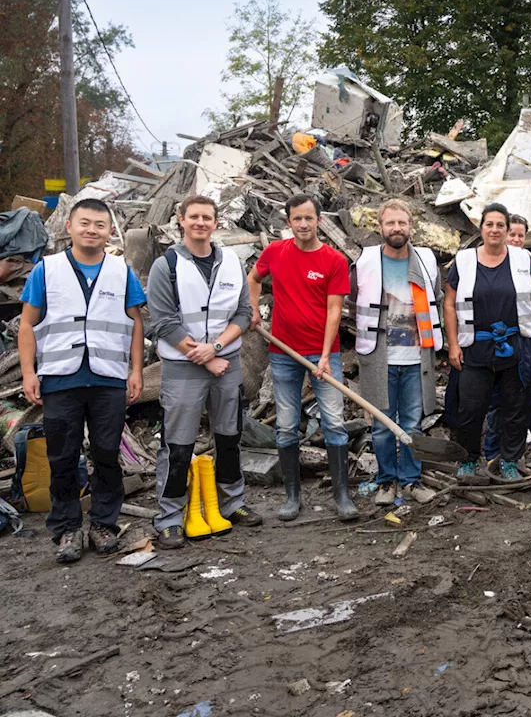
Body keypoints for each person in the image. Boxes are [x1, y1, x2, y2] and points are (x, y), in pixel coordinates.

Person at [18, 198, 145, 563]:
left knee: (106, 454)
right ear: (69, 227)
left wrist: (136, 371)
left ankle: (104, 523)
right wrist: (29, 372)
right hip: (61, 379)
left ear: (109, 231)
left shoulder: (121, 271)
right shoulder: (48, 269)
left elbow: (135, 323)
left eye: (100, 225)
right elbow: (27, 324)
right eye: (85, 223)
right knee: (62, 457)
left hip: (108, 379)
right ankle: (68, 529)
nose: (92, 230)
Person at [147, 195, 260, 549]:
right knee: (177, 444)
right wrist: (205, 356)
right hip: (183, 368)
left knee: (229, 437)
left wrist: (218, 347)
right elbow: (163, 322)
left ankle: (233, 503)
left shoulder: (231, 263)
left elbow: (244, 313)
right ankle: (169, 518)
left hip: (227, 363)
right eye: (193, 216)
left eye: (206, 217)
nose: (200, 222)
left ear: (215, 222)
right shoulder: (166, 266)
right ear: (181, 220)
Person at [248, 194, 355, 521]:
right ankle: (292, 497)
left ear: (319, 221)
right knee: (287, 425)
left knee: (335, 422)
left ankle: (342, 496)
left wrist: (324, 356)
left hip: (325, 355)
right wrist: (253, 310)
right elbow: (253, 278)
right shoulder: (275, 253)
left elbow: (334, 312)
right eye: (298, 219)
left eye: (310, 218)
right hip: (282, 353)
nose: (304, 224)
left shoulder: (333, 261)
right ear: (289, 222)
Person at [443, 204, 531, 484]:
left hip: (515, 346)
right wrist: (453, 344)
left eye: (500, 225)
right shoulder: (464, 261)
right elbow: (450, 304)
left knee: (515, 407)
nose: (495, 230)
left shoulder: (523, 259)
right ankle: (468, 459)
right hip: (475, 347)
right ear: (481, 229)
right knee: (470, 408)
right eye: (489, 224)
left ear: (506, 229)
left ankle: (510, 461)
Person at [349, 198, 443, 506]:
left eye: (402, 222)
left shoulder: (426, 261)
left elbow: (437, 299)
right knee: (382, 425)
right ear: (380, 227)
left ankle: (411, 481)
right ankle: (387, 482)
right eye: (390, 223)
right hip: (379, 357)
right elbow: (352, 301)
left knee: (413, 424)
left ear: (411, 226)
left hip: (417, 358)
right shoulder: (366, 261)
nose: (396, 228)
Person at [483, 213, 531, 467]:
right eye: (511, 233)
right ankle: (493, 450)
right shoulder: (487, 261)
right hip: (500, 341)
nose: (515, 239)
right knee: (497, 400)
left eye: (520, 235)